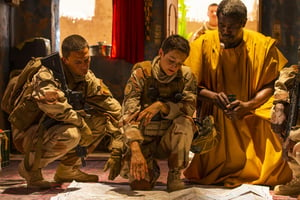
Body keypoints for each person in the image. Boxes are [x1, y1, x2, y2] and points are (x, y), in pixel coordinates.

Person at [183, 0, 292, 187]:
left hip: (252, 108)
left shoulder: (261, 45)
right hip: (217, 110)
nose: (225, 31)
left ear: (243, 22)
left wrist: (248, 105)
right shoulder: (202, 44)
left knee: (273, 126)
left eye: (231, 27)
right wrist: (214, 97)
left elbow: (271, 83)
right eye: (222, 25)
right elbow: (189, 85)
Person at [8, 34, 123, 189]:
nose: (84, 66)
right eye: (78, 62)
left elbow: (110, 106)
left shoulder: (86, 77)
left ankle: (67, 170)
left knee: (100, 120)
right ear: (65, 60)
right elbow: (54, 105)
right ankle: (30, 168)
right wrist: (81, 123)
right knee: (72, 133)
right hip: (28, 132)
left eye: (87, 60)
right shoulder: (46, 73)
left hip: (55, 127)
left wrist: (122, 136)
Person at [118, 34, 197, 192]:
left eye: (179, 63)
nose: (174, 67)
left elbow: (189, 108)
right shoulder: (142, 73)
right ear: (161, 53)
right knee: (140, 186)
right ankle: (150, 168)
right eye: (171, 60)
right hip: (143, 140)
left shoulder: (186, 76)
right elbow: (128, 115)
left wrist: (162, 106)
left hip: (168, 140)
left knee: (186, 122)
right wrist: (135, 149)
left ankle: (174, 174)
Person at [271, 64, 300, 196]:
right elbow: (281, 91)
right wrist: (279, 107)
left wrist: (292, 137)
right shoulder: (292, 73)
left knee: (297, 149)